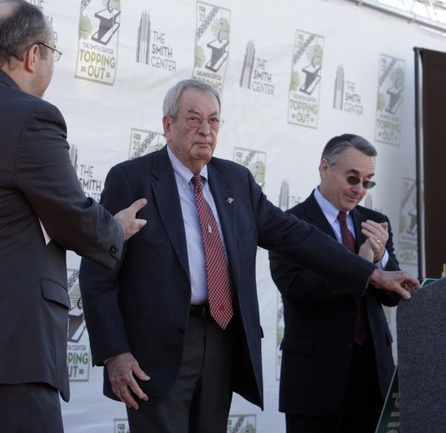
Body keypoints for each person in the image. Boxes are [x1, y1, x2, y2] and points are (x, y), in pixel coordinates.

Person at [78, 80, 418, 433]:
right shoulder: (131, 179)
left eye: (214, 120)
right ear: (168, 125)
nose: (206, 131)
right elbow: (97, 273)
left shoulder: (235, 181)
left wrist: (372, 274)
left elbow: (295, 235)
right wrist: (115, 352)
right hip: (155, 351)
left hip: (223, 339)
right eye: (194, 120)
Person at [0, 1, 146, 432]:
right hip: (6, 360)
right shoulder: (29, 116)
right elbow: (74, 215)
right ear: (34, 55)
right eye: (53, 52)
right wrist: (118, 228)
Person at [269, 134, 401, 433]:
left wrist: (380, 260)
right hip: (315, 378)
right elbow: (297, 289)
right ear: (324, 168)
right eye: (352, 178)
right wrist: (360, 264)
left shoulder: (375, 221)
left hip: (373, 375)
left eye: (368, 182)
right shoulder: (290, 223)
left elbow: (392, 297)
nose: (359, 190)